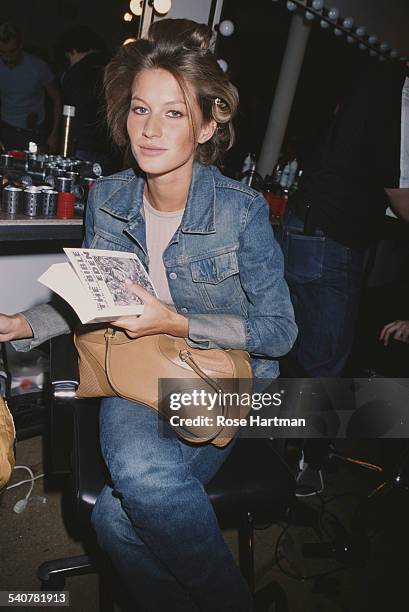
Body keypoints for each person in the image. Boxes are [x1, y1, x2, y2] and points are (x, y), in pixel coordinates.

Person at [0, 19, 297, 611]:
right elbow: (96, 295)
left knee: (115, 515)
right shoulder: (106, 198)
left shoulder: (243, 213)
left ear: (209, 124)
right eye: (140, 110)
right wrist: (28, 324)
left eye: (175, 113)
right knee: (137, 472)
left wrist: (176, 321)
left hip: (217, 375)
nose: (151, 130)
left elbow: (280, 333)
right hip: (132, 370)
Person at [276, 59, 409, 377]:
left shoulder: (374, 76)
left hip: (303, 225)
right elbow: (398, 191)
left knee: (280, 349)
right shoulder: (395, 94)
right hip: (331, 239)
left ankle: (259, 423)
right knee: (321, 367)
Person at [56, 25, 119, 173]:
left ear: (73, 51)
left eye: (69, 57)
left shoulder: (75, 73)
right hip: (112, 148)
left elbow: (71, 113)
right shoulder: (115, 67)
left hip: (83, 146)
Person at [0, 22, 61, 152]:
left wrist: (55, 133)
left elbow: (57, 99)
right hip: (6, 130)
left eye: (12, 52)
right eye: (3, 52)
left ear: (20, 45)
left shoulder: (39, 67)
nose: (8, 57)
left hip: (34, 131)